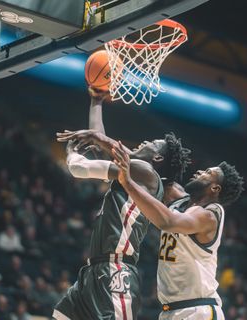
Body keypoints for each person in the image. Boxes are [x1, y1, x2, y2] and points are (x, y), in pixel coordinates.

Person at [54, 96, 191, 319]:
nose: (144, 142)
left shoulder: (144, 172)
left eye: (151, 143)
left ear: (156, 157)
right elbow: (102, 143)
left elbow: (80, 168)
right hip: (94, 269)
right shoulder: (136, 170)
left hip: (117, 270)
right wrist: (96, 101)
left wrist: (71, 151)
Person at [112, 141, 244, 320]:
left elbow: (167, 221)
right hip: (170, 311)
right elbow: (145, 169)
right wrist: (100, 139)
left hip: (198, 310)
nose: (200, 172)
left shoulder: (210, 215)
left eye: (207, 173)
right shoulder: (181, 200)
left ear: (215, 188)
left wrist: (127, 183)